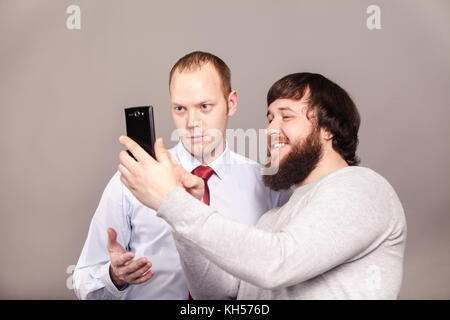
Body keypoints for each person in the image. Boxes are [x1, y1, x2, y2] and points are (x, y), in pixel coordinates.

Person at [118, 72, 407, 299]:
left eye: (286, 116)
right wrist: (184, 211)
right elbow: (217, 294)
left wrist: (171, 202)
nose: (270, 130)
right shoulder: (273, 219)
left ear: (328, 128)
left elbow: (277, 262)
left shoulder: (363, 187)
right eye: (269, 118)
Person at [73, 51, 290, 299]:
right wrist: (114, 277)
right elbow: (82, 282)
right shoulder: (135, 180)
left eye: (204, 107)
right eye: (180, 108)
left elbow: (282, 276)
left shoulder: (267, 186)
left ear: (231, 104)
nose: (191, 122)